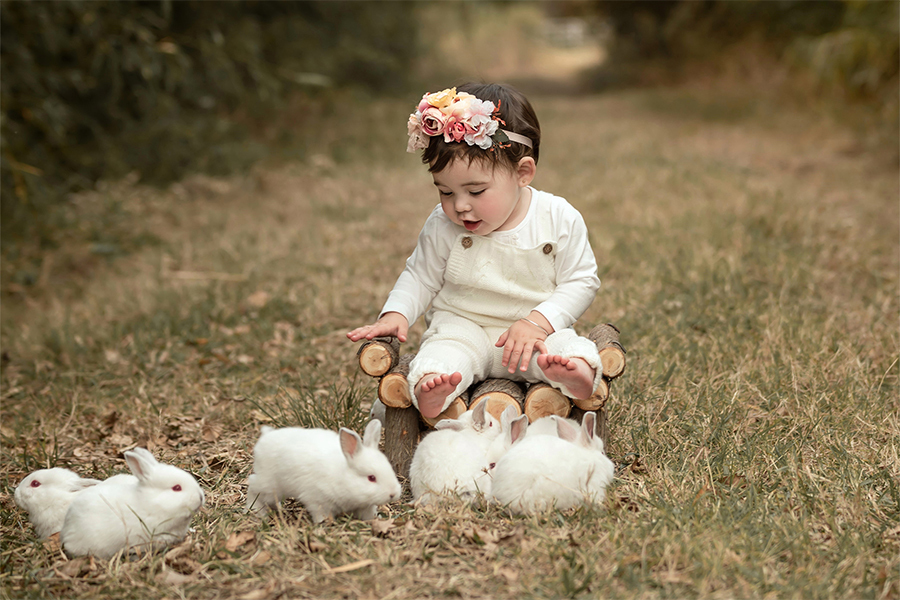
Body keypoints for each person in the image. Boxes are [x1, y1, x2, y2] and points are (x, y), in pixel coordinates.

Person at [347, 82, 602, 419]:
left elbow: (581, 281)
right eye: (445, 192)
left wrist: (539, 322)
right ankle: (435, 387)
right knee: (445, 353)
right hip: (464, 326)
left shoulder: (557, 217)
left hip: (533, 336)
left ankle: (575, 374)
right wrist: (396, 314)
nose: (460, 207)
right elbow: (421, 276)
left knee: (563, 351)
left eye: (476, 191)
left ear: (522, 173)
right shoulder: (442, 224)